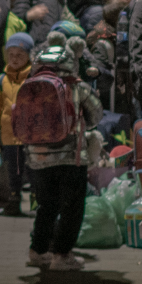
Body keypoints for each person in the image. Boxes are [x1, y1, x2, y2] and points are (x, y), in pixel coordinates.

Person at [22, 40, 103, 271]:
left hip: (37, 157)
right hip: (70, 157)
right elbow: (96, 115)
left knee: (46, 206)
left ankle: (37, 251)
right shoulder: (76, 86)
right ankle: (62, 254)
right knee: (71, 207)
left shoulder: (31, 85)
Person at [0, 32, 35, 214]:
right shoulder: (1, 80)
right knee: (14, 172)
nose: (14, 59)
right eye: (11, 55)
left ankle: (37, 204)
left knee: (33, 170)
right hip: (9, 136)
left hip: (31, 136)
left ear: (29, 56)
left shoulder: (33, 79)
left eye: (20, 55)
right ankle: (14, 202)